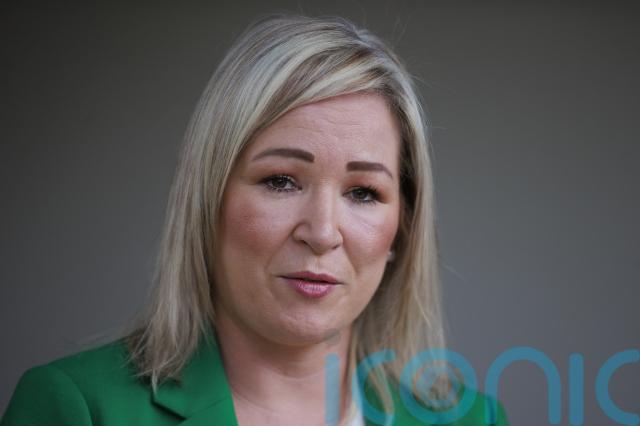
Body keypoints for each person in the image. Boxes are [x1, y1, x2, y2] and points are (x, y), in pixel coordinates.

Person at [1, 14, 508, 426]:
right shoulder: (78, 409)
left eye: (362, 192)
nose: (322, 232)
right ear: (208, 200)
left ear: (402, 228)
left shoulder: (474, 421)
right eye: (281, 181)